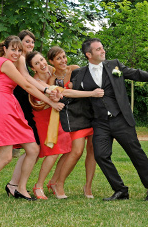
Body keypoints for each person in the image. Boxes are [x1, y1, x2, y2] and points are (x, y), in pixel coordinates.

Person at [61, 38, 148, 201]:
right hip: (100, 123)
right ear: (88, 54)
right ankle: (120, 190)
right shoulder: (79, 74)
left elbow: (135, 74)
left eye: (102, 48)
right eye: (98, 49)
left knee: (136, 154)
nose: (103, 51)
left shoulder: (113, 66)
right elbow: (72, 92)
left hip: (121, 119)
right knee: (101, 155)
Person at [0, 36, 64, 203]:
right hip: (2, 108)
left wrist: (48, 89)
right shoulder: (3, 62)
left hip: (11, 106)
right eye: (12, 49)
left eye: (19, 50)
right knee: (5, 157)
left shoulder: (14, 64)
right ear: (5, 49)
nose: (16, 53)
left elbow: (29, 80)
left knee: (33, 149)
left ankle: (21, 188)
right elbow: (27, 85)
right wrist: (50, 101)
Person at [26, 51, 104, 199]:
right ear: (32, 69)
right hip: (44, 117)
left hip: (57, 114)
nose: (42, 64)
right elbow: (64, 93)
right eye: (37, 63)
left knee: (67, 149)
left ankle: (54, 182)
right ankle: (38, 186)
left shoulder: (51, 71)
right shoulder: (38, 80)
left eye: (42, 60)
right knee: (53, 151)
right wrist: (92, 93)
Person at [6, 30, 57, 197]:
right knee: (32, 148)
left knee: (33, 149)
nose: (30, 45)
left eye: (32, 42)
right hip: (19, 104)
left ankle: (15, 185)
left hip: (25, 105)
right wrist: (46, 90)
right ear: (19, 43)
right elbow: (27, 80)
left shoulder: (24, 60)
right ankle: (15, 185)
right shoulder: (19, 59)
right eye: (27, 42)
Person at [46, 46, 99, 199]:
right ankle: (58, 184)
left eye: (64, 56)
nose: (63, 60)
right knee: (76, 151)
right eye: (58, 58)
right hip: (74, 115)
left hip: (90, 111)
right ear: (52, 62)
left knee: (93, 150)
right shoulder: (52, 80)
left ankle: (88, 187)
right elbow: (54, 96)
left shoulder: (76, 69)